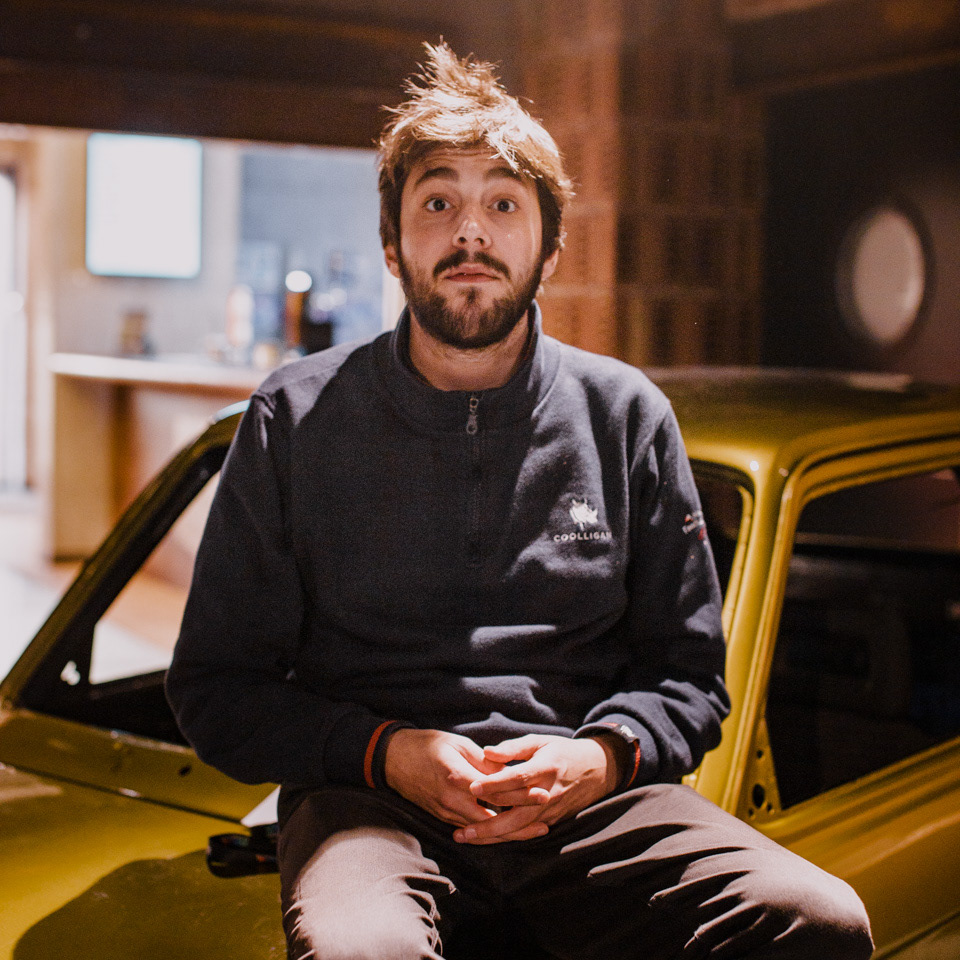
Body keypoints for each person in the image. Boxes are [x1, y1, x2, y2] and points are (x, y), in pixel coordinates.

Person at [166, 43, 873, 960]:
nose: (471, 234)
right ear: (392, 242)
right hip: (369, 806)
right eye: (437, 203)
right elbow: (215, 692)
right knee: (360, 951)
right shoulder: (295, 417)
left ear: (548, 242)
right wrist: (386, 752)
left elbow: (692, 681)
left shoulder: (625, 415)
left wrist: (605, 754)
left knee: (819, 920)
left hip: (589, 800)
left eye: (503, 203)